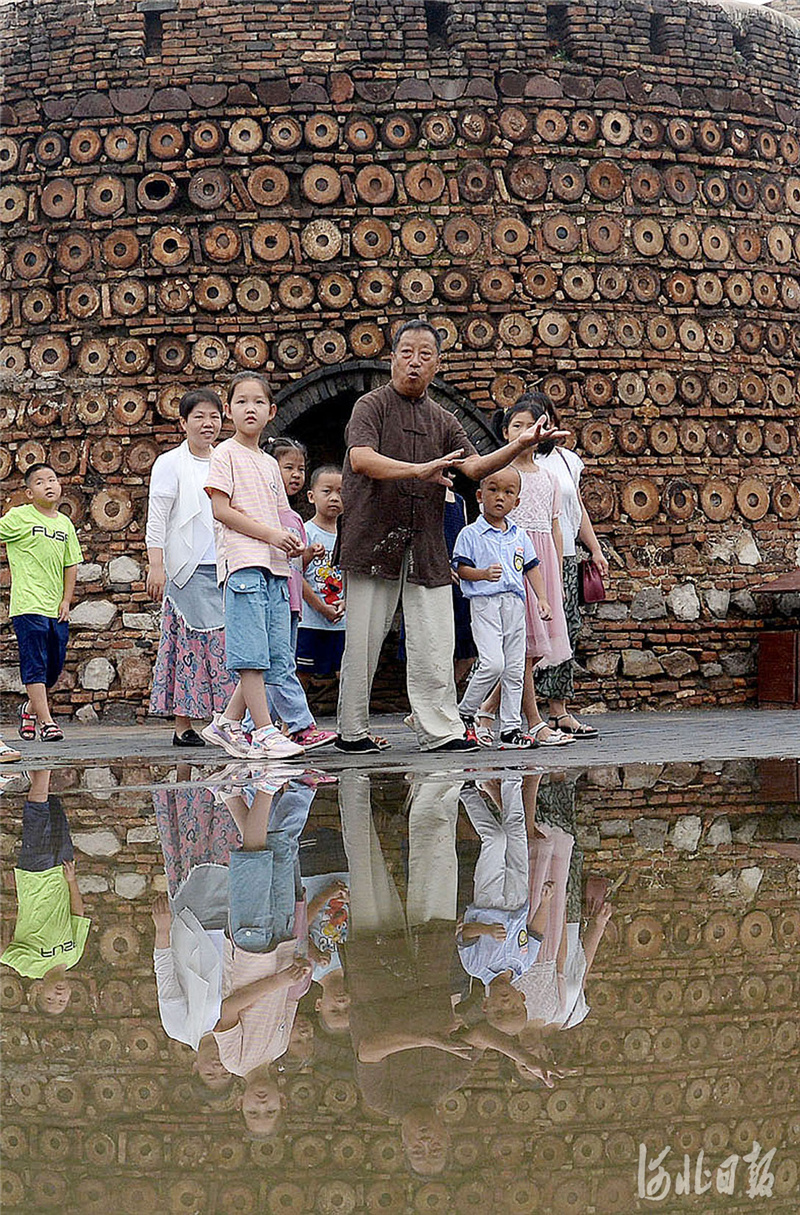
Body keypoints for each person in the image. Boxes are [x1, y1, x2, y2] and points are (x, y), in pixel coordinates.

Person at [336, 317, 568, 753]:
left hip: (425, 542)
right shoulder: (370, 406)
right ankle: (352, 732)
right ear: (391, 359)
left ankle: (438, 729)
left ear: (437, 365)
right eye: (407, 354)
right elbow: (362, 459)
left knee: (434, 639)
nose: (415, 363)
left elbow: (475, 468)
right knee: (363, 640)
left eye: (425, 356)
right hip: (372, 540)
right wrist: (419, 470)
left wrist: (520, 445)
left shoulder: (442, 418)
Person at [202, 373, 306, 762]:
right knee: (251, 653)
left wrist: (290, 541)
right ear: (228, 410)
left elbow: (283, 515)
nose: (250, 408)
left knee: (275, 652)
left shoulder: (268, 463)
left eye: (258, 402)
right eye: (241, 402)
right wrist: (269, 535)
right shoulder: (224, 454)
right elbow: (221, 510)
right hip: (244, 563)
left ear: (271, 412)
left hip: (276, 567)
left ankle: (227, 723)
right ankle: (262, 730)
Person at [477, 398, 575, 747]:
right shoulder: (502, 476)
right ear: (505, 431)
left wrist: (558, 576)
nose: (525, 432)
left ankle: (487, 710)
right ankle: (533, 721)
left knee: (533, 651)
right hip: (513, 566)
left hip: (542, 564)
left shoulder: (549, 477)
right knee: (519, 648)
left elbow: (554, 527)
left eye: (533, 425)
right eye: (517, 426)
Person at [146, 388, 237, 747]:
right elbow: (157, 518)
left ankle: (228, 721)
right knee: (187, 646)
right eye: (198, 416)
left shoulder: (227, 459)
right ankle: (184, 724)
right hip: (187, 567)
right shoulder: (169, 463)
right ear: (183, 422)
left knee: (227, 645)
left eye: (214, 416)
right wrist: (156, 565)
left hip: (225, 565)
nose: (207, 423)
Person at [527, 392, 610, 738]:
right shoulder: (522, 460)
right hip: (534, 554)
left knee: (567, 629)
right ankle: (506, 708)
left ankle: (559, 709)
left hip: (566, 554)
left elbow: (575, 508)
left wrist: (594, 549)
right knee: (532, 634)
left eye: (546, 420)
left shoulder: (567, 461)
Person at [452, 467, 552, 750]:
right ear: (480, 496)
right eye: (493, 490)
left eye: (508, 492)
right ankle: (465, 711)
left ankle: (510, 728)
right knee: (493, 662)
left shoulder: (519, 535)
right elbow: (461, 568)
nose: (500, 498)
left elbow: (531, 568)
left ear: (517, 501)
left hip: (514, 604)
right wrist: (482, 574)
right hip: (485, 603)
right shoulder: (470, 534)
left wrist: (542, 599)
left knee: (515, 668)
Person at [456, 779, 554, 1032]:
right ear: (522, 999)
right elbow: (536, 933)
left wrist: (486, 931)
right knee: (516, 835)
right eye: (513, 1008)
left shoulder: (475, 967)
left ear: (486, 1005)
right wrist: (545, 902)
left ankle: (466, 792)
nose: (505, 1003)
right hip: (518, 898)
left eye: (499, 1010)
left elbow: (464, 934)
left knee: (495, 840)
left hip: (488, 900)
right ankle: (512, 781)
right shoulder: (524, 963)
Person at [258, 438, 335, 751]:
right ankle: (300, 724)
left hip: (291, 602)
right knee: (280, 666)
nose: (295, 474)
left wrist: (308, 556)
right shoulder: (262, 515)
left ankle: (259, 726)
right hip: (272, 598)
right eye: (287, 467)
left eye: (300, 469)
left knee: (279, 665)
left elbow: (296, 567)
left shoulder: (292, 519)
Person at [0, 463, 82, 743]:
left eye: (53, 479)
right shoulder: (19, 517)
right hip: (28, 605)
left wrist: (67, 600)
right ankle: (47, 722)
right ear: (28, 492)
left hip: (55, 607)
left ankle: (29, 708)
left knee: (53, 667)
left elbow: (71, 565)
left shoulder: (64, 524)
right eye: (40, 482)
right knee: (35, 664)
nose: (48, 485)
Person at [1, 770, 90, 1013]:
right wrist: (71, 880)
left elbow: (3, 950)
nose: (58, 996)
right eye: (62, 1002)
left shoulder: (28, 967)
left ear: (39, 991)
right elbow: (78, 914)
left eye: (50, 1000)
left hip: (35, 878)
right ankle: (37, 775)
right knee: (55, 813)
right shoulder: (74, 957)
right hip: (62, 873)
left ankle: (43, 767)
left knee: (38, 820)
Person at [296, 465, 347, 693]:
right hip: (309, 620)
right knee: (301, 672)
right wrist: (321, 607)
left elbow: (356, 577)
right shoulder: (305, 533)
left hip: (342, 620)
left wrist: (346, 603)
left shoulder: (350, 536)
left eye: (340, 492)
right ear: (311, 496)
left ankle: (347, 723)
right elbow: (296, 575)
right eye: (327, 491)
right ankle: (292, 723)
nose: (334, 498)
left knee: (345, 671)